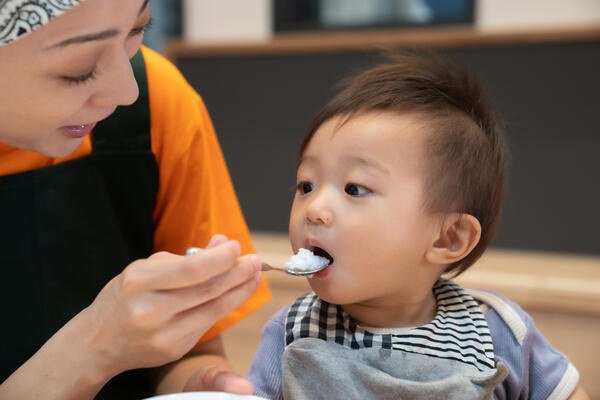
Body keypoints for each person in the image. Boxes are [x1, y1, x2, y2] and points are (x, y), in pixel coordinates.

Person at [246, 51, 589, 399]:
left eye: (355, 189)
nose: (315, 208)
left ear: (448, 237)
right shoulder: (289, 334)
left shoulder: (496, 334)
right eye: (306, 185)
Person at [0, 0, 271, 399]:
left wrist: (198, 381)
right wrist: (92, 346)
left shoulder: (156, 101)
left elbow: (191, 350)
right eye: (80, 67)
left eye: (137, 30)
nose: (126, 91)